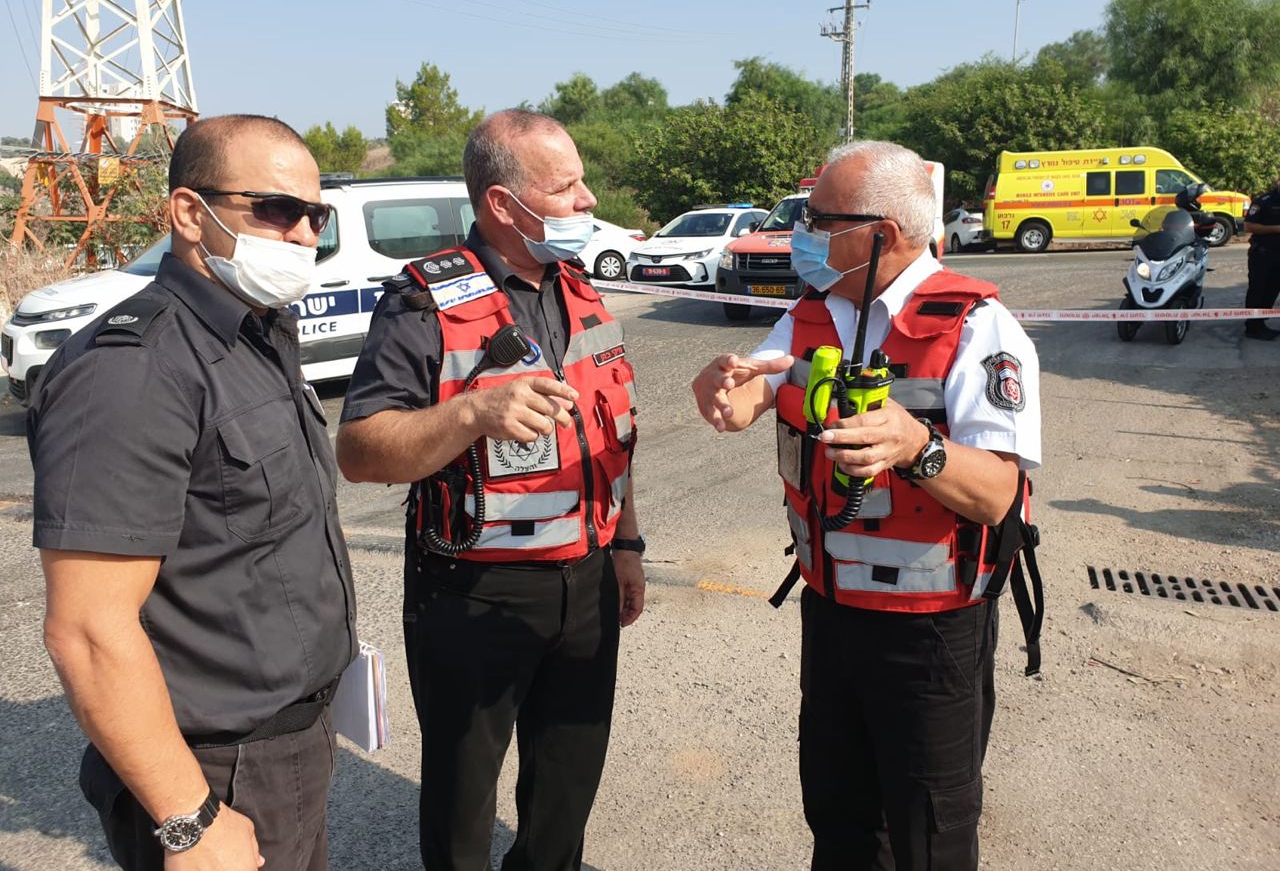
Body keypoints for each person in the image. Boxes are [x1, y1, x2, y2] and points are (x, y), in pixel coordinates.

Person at [692, 141, 1042, 870]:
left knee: (926, 832)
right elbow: (755, 388)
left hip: (932, 637)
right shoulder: (814, 313)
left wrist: (919, 447)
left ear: (881, 234)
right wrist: (726, 392)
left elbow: (1001, 494)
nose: (802, 233)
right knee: (839, 816)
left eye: (820, 219)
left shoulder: (978, 328)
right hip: (832, 615)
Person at [30, 114, 357, 871]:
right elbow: (86, 630)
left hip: (288, 744)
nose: (303, 234)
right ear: (187, 212)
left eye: (316, 215)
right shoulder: (133, 370)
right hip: (213, 766)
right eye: (275, 209)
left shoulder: (254, 333)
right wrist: (190, 820)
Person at [336, 109, 645, 871]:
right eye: (567, 186)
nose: (589, 200)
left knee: (568, 785)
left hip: (589, 577)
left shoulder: (584, 291)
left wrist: (628, 545)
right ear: (503, 205)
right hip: (475, 591)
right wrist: (472, 412)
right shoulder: (423, 303)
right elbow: (360, 450)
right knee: (462, 794)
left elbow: (615, 433)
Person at [1243, 177, 1280, 341]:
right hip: (1263, 254)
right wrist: (1276, 229)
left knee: (1273, 290)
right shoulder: (1263, 201)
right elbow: (1248, 226)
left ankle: (1261, 322)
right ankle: (1252, 327)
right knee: (1258, 289)